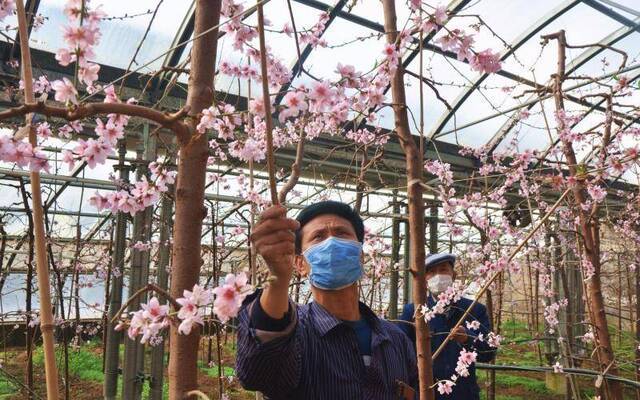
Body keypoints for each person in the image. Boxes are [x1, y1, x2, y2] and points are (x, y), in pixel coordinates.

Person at [236, 201, 418, 399]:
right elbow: (258, 375)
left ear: (360, 256)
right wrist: (278, 279)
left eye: (341, 233)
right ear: (300, 264)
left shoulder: (396, 339)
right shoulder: (296, 334)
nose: (331, 243)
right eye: (318, 237)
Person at [398, 253, 495, 400]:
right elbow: (400, 353)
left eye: (443, 270)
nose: (438, 276)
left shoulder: (474, 310)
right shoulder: (414, 312)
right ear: (424, 280)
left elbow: (489, 352)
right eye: (431, 272)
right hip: (424, 393)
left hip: (463, 393)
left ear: (453, 275)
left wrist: (467, 338)